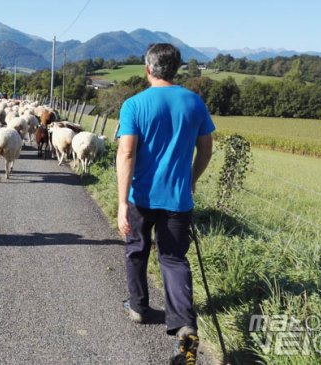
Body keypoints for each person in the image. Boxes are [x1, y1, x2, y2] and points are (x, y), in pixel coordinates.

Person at [116, 43, 214, 365]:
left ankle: (138, 307)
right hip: (178, 200)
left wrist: (121, 203)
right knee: (173, 259)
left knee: (136, 250)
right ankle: (185, 326)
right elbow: (206, 151)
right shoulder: (194, 102)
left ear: (148, 68)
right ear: (177, 68)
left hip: (141, 199)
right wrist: (192, 179)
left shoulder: (134, 105)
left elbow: (127, 153)